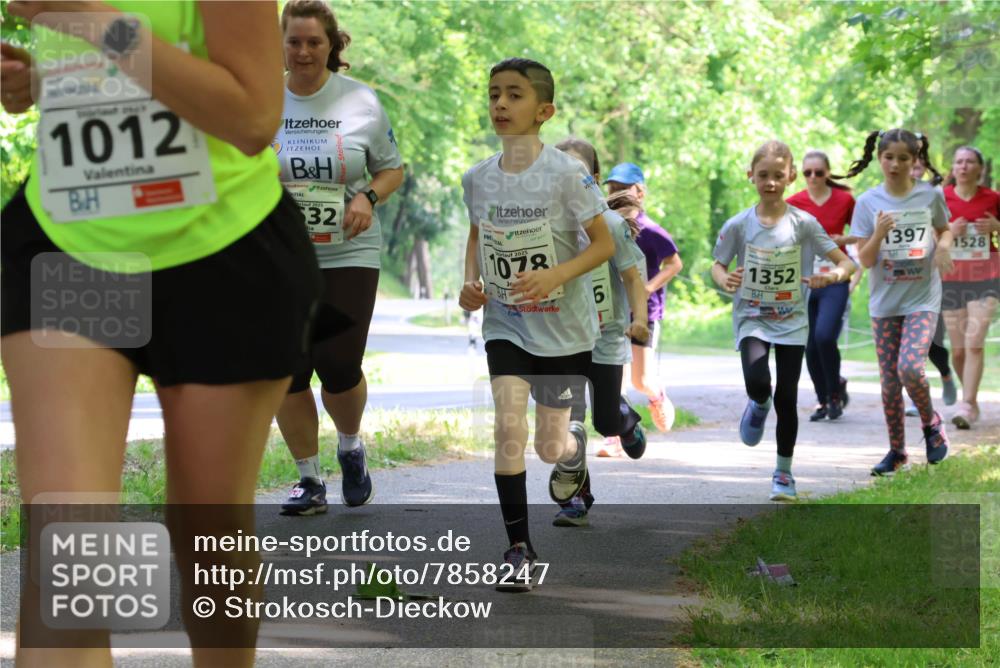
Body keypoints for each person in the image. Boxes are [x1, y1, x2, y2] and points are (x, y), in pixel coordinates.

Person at [1, 2, 319, 666]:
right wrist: (40, 82)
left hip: (222, 253)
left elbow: (253, 117)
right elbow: (121, 73)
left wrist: (91, 22)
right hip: (75, 245)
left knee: (208, 534)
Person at [458, 58, 613, 591]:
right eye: (494, 93)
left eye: (515, 95)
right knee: (507, 426)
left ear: (543, 110)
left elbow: (605, 244)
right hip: (507, 323)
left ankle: (572, 449)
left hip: (565, 329)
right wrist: (470, 284)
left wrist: (556, 276)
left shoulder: (567, 174)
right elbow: (478, 237)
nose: (501, 104)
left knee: (549, 447)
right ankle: (518, 548)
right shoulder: (477, 177)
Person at [274, 0, 404, 516]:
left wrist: (365, 198)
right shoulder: (261, 100)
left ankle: (350, 445)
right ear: (281, 45)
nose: (304, 51)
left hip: (349, 248)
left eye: (314, 42)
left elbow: (391, 170)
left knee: (338, 361)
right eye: (294, 42)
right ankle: (308, 480)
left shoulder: (361, 103)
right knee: (288, 368)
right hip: (279, 255)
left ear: (332, 46)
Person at [712, 141, 853, 501]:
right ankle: (758, 404)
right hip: (752, 318)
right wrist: (724, 279)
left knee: (787, 398)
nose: (771, 182)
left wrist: (832, 276)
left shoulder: (804, 224)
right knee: (760, 383)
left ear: (790, 177)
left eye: (778, 175)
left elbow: (845, 262)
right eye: (763, 175)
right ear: (751, 177)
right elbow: (718, 264)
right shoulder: (739, 225)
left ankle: (784, 473)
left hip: (792, 321)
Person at [837, 129, 954, 476]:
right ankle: (897, 452)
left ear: (915, 160)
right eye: (890, 157)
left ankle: (932, 424)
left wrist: (944, 245)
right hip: (885, 302)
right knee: (889, 383)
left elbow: (944, 229)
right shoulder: (868, 202)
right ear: (879, 159)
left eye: (904, 158)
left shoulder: (928, 196)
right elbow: (867, 260)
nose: (896, 164)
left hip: (922, 297)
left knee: (909, 368)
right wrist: (879, 234)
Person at [551, 138, 650, 527]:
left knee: (603, 421)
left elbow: (632, 276)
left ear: (593, 178)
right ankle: (575, 497)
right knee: (566, 421)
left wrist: (638, 318)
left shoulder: (608, 225)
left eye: (576, 171)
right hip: (561, 338)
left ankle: (623, 418)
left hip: (605, 338)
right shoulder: (545, 226)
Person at [605, 162, 682, 433]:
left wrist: (649, 288)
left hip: (645, 313)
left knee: (642, 380)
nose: (618, 194)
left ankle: (657, 396)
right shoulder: (604, 228)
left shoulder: (650, 230)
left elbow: (674, 264)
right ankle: (614, 435)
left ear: (640, 192)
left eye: (625, 189)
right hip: (613, 311)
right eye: (613, 189)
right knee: (616, 377)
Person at [786, 151, 857, 421]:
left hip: (835, 277)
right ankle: (824, 399)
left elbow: (865, 232)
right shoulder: (793, 202)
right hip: (804, 280)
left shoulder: (845, 200)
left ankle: (835, 394)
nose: (813, 177)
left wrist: (844, 239)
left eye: (818, 172)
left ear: (828, 173)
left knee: (825, 336)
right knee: (809, 344)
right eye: (807, 173)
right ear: (801, 175)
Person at [940, 146, 1000, 428]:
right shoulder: (941, 198)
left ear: (980, 168)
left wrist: (997, 226)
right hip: (951, 278)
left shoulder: (993, 198)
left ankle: (967, 404)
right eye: (959, 162)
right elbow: (928, 234)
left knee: (975, 343)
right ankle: (971, 401)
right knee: (959, 350)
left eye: (969, 162)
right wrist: (950, 230)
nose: (963, 166)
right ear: (952, 168)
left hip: (986, 277)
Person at [905, 155, 958, 415]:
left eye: (917, 167)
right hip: (901, 284)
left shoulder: (934, 196)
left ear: (924, 170)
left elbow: (944, 232)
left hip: (933, 281)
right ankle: (917, 399)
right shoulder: (889, 198)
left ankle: (946, 375)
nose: (912, 172)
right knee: (910, 347)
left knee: (932, 344)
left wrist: (943, 246)